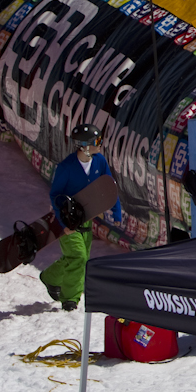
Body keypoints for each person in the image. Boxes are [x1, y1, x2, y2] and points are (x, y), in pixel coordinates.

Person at [42, 123, 121, 312]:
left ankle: (50, 277)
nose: (101, 144)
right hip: (67, 220)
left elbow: (110, 187)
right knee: (78, 256)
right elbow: (55, 195)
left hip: (86, 218)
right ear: (85, 145)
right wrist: (63, 224)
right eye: (97, 141)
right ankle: (70, 299)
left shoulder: (100, 161)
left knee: (80, 258)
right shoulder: (66, 167)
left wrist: (116, 212)